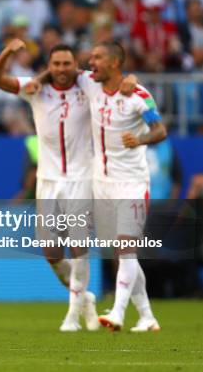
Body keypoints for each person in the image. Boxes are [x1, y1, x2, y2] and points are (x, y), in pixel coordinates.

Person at [0, 41, 104, 332]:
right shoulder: (35, 89)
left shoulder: (88, 85)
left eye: (67, 64)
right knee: (52, 252)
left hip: (81, 177)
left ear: (76, 65)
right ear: (48, 66)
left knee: (79, 246)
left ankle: (72, 315)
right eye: (57, 64)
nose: (62, 70)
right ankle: (84, 298)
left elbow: (116, 78)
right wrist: (8, 53)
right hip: (48, 180)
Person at [74, 42, 167, 332]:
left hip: (132, 183)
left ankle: (117, 312)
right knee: (121, 251)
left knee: (126, 249)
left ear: (115, 63)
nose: (91, 62)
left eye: (98, 57)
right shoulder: (90, 83)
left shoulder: (138, 96)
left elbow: (160, 130)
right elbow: (63, 75)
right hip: (102, 183)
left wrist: (139, 140)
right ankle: (147, 316)